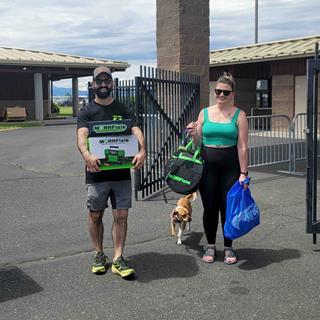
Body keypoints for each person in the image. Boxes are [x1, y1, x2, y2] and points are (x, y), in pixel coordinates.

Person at [77, 66, 146, 278]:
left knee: (121, 216)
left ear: (113, 84)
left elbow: (135, 130)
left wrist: (142, 150)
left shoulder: (124, 109)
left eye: (107, 81)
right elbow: (82, 136)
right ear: (93, 85)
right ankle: (99, 254)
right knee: (95, 214)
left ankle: (118, 258)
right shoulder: (86, 112)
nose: (104, 84)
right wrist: (87, 155)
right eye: (100, 81)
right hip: (96, 173)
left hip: (121, 173)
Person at [187, 72, 249, 265]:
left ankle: (229, 246)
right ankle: (211, 245)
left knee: (228, 208)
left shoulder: (240, 115)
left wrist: (244, 173)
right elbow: (197, 144)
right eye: (218, 91)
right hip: (208, 168)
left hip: (230, 168)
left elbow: (242, 146)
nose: (221, 95)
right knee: (210, 208)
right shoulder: (204, 113)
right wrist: (192, 134)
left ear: (233, 94)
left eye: (225, 92)